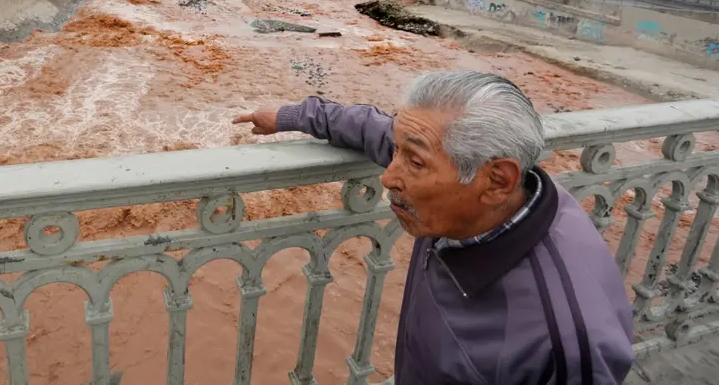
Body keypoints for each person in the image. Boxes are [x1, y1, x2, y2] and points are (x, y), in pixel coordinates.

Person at [233, 71, 634, 384]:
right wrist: (290, 117)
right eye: (397, 151)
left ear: (497, 181)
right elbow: (372, 127)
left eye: (414, 161)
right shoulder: (485, 197)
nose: (389, 177)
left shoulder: (564, 344)